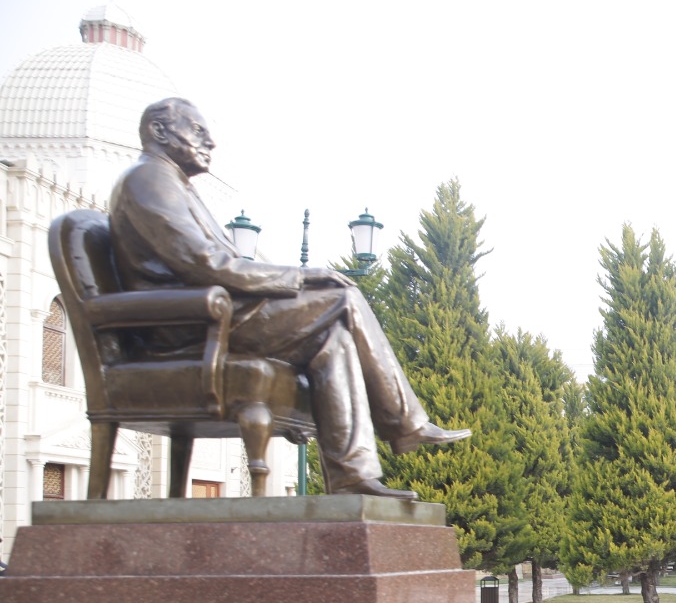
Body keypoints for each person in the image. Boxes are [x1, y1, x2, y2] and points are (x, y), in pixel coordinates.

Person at [107, 98, 469, 498]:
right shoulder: (149, 180)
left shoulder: (174, 184)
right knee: (342, 296)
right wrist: (302, 275)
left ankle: (352, 476)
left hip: (210, 316)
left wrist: (298, 281)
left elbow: (221, 262)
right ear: (158, 132)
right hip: (185, 325)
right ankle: (405, 423)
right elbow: (207, 263)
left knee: (336, 340)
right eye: (198, 131)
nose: (210, 142)